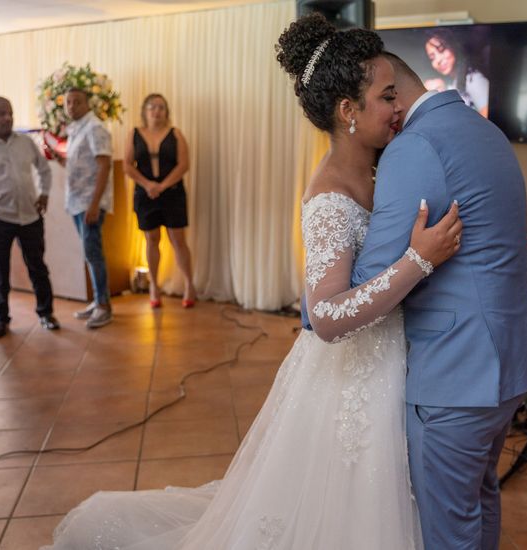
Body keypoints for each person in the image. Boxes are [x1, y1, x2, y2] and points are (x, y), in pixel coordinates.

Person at [43, 14, 462, 549]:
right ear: (348, 111)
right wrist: (418, 262)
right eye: (387, 96)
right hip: (347, 375)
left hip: (381, 365)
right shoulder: (329, 195)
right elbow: (327, 316)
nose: (400, 105)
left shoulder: (384, 170)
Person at [351, 51, 527, 550]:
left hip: (458, 373)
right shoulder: (484, 129)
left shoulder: (415, 145)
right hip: (509, 361)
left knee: (447, 528)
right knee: (480, 496)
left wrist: (318, 295)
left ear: (392, 93)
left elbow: (370, 275)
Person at [0, 97, 58, 339]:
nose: (7, 118)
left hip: (30, 216)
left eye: (10, 113)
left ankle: (46, 313)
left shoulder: (25, 142)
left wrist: (44, 194)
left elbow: (44, 169)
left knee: (38, 267)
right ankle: (0, 320)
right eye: (1, 114)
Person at [123, 94, 196, 308]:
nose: (156, 111)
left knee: (178, 240)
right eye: (152, 107)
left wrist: (161, 186)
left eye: (161, 107)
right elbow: (127, 165)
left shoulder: (175, 134)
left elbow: (184, 164)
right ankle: (154, 285)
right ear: (145, 111)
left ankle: (189, 284)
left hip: (172, 193)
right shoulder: (134, 134)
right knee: (151, 239)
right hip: (145, 195)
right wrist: (148, 185)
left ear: (167, 112)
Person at [50, 87, 113, 329]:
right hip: (78, 201)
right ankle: (98, 300)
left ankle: (104, 306)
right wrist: (62, 160)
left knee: (94, 253)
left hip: (89, 202)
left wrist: (95, 204)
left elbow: (104, 166)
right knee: (90, 253)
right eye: (68, 102)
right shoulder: (78, 129)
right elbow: (82, 164)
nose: (71, 107)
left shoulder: (95, 127)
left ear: (88, 104)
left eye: (77, 102)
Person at [422, 29, 490, 118]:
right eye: (432, 58)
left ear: (453, 46)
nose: (438, 60)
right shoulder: (451, 84)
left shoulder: (472, 79)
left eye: (441, 50)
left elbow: (489, 120)